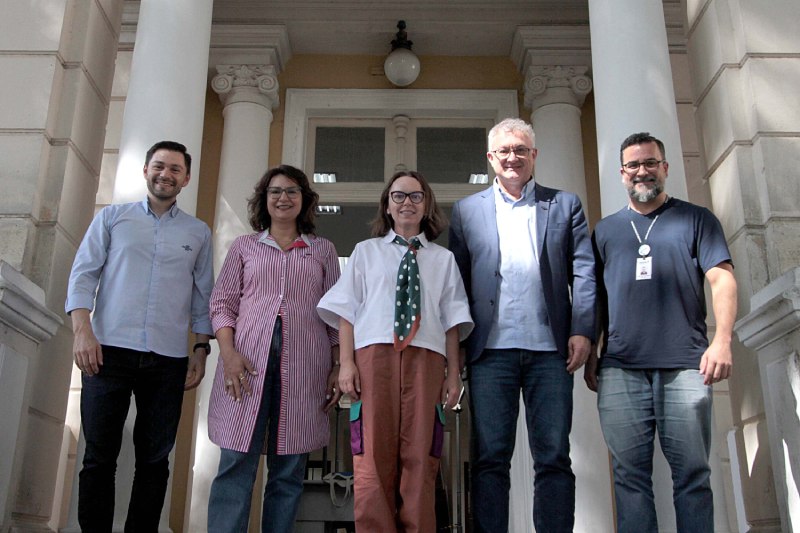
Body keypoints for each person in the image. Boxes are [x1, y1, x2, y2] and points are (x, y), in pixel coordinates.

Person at [448, 117, 596, 532]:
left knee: (553, 457)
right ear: (490, 157)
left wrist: (583, 329)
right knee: (489, 458)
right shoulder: (466, 211)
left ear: (534, 155)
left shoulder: (565, 205)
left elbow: (584, 271)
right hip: (489, 353)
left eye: (520, 150)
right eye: (504, 150)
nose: (512, 157)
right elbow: (456, 283)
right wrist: (456, 349)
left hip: (551, 352)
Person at [585, 132, 737, 533]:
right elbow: (595, 298)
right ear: (622, 173)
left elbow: (721, 278)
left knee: (693, 476)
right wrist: (593, 354)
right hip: (620, 368)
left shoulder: (696, 219)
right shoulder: (606, 231)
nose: (642, 171)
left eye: (650, 162)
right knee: (629, 479)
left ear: (665, 168)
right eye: (633, 165)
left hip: (685, 366)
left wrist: (722, 340)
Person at [66, 140, 214, 532]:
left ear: (186, 178)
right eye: (159, 166)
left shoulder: (198, 232)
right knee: (98, 457)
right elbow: (82, 275)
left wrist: (201, 349)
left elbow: (204, 296)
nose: (166, 174)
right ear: (146, 170)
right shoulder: (112, 218)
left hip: (167, 360)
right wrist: (82, 332)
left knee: (154, 461)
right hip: (106, 352)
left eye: (175, 169)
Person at [317, 171, 473, 533]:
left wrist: (453, 375)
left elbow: (452, 321)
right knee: (372, 458)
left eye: (416, 196)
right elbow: (346, 312)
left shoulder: (443, 259)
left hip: (426, 360)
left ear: (426, 205)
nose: (407, 203)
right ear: (387, 205)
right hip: (374, 360)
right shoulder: (365, 252)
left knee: (422, 455)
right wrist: (346, 364)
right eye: (399, 196)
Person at [206, 165, 341, 533]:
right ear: (264, 200)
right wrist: (229, 354)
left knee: (289, 471)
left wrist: (336, 365)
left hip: (305, 369)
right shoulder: (244, 247)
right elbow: (222, 304)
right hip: (245, 366)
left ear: (304, 199)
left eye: (292, 191)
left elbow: (335, 315)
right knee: (236, 463)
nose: (284, 198)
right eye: (275, 191)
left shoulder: (323, 251)